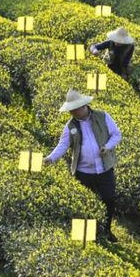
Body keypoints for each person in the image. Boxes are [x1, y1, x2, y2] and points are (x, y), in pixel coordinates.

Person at [43, 89, 122, 242]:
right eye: (70, 110)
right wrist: (50, 158)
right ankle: (86, 237)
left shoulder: (102, 116)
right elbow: (63, 145)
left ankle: (107, 229)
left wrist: (107, 146)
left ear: (83, 106)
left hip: (104, 169)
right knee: (84, 205)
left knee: (109, 199)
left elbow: (116, 134)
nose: (72, 112)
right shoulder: (70, 126)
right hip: (83, 171)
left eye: (74, 109)